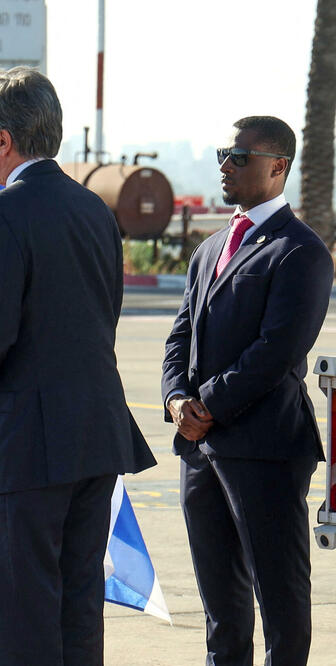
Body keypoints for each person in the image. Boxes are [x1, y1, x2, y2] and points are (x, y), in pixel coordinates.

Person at [0, 66, 156, 665]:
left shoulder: (3, 214)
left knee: (26, 612)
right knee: (77, 606)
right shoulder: (94, 210)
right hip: (95, 433)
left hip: (28, 443)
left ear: (4, 141)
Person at [162, 116, 333, 666]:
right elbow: (181, 333)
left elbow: (276, 352)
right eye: (222, 153)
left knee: (279, 601)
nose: (225, 165)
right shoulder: (210, 248)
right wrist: (175, 399)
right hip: (202, 450)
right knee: (222, 608)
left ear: (278, 167)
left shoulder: (300, 251)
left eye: (239, 156)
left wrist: (205, 404)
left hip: (265, 449)